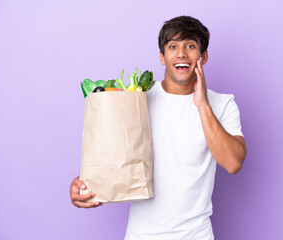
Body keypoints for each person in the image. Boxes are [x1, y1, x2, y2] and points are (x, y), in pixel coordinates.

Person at [70, 16, 247, 240]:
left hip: (196, 235)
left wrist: (202, 105)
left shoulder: (222, 104)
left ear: (203, 57)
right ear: (162, 57)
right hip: (142, 235)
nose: (181, 53)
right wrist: (84, 186)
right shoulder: (136, 99)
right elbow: (113, 156)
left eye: (190, 46)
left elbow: (233, 163)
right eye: (173, 46)